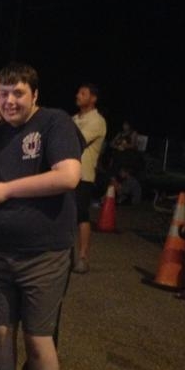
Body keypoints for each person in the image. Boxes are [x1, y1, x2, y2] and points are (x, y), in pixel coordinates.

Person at [0, 62, 81, 370]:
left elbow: (68, 176)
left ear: (34, 95)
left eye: (18, 93)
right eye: (3, 94)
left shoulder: (54, 124)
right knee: (0, 333)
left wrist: (8, 191)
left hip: (44, 254)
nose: (9, 100)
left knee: (38, 338)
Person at [71, 83, 107, 274]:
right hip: (67, 174)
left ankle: (83, 257)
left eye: (83, 93)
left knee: (81, 215)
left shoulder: (97, 121)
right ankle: (66, 256)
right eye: (79, 91)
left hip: (83, 175)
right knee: (66, 215)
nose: (78, 95)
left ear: (93, 98)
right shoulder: (75, 118)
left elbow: (76, 140)